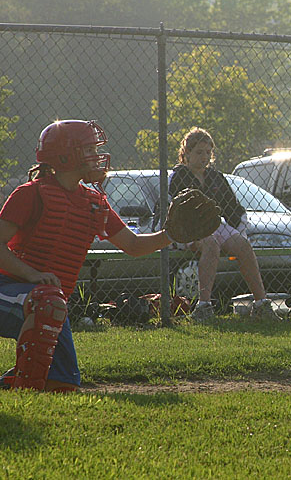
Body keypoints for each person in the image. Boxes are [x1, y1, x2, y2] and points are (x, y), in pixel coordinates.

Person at [0, 120, 192, 391]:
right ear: (66, 155)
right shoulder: (30, 194)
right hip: (9, 291)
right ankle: (24, 388)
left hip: (49, 305)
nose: (96, 156)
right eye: (88, 149)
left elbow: (133, 245)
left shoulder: (92, 201)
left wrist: (172, 235)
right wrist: (32, 275)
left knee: (62, 384)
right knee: (47, 301)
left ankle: (11, 382)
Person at [169, 128, 278, 322]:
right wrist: (188, 234)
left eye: (208, 152)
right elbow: (172, 212)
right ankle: (204, 306)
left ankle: (261, 303)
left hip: (216, 226)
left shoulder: (215, 177)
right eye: (199, 152)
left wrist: (239, 232)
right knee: (211, 244)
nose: (204, 157)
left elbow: (234, 210)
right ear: (186, 153)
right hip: (189, 229)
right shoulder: (177, 177)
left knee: (243, 245)